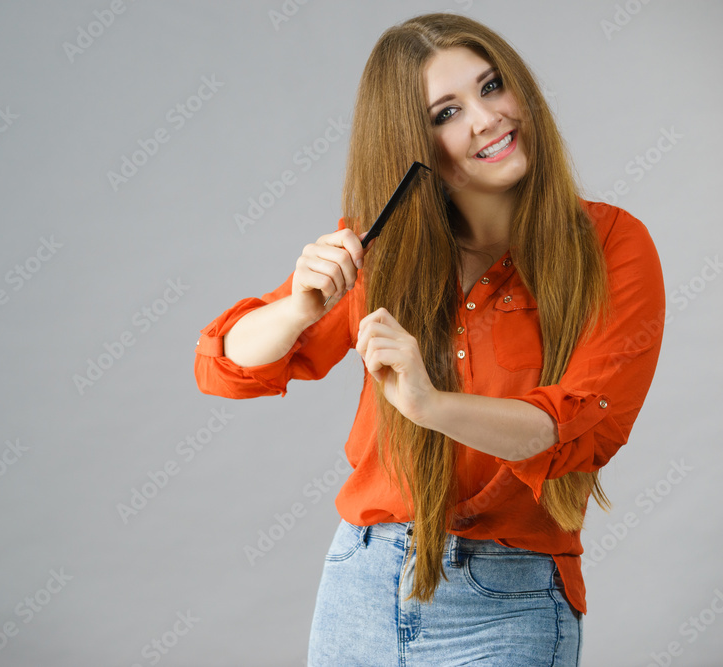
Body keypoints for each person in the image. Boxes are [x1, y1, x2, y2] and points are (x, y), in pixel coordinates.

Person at [193, 11, 665, 667]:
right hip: (361, 581)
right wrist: (299, 308)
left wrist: (430, 402)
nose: (487, 118)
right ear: (414, 142)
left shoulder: (611, 245)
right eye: (447, 112)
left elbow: (579, 428)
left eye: (493, 85)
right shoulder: (384, 251)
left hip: (512, 596)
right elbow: (223, 365)